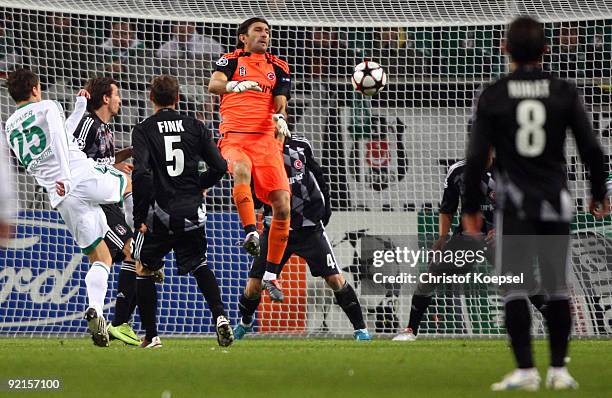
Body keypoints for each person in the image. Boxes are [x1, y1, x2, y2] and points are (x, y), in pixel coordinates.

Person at [462, 16, 609, 391]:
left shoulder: (493, 94)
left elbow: (477, 158)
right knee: (557, 284)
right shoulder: (563, 91)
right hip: (555, 200)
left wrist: (471, 209)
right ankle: (559, 370)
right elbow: (592, 149)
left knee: (514, 286)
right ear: (546, 50)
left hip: (514, 203)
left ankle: (526, 370)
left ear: (505, 48)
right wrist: (598, 193)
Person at [4, 68, 133, 347]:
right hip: (78, 175)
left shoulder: (10, 126)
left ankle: (96, 311)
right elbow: (61, 142)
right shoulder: (48, 105)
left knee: (101, 257)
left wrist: (78, 108)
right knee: (131, 180)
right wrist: (65, 173)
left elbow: (52, 142)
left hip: (60, 196)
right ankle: (146, 241)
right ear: (36, 89)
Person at [393, 149, 548, 341]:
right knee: (430, 276)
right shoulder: (458, 171)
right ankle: (410, 330)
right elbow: (447, 208)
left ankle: (551, 327)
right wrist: (442, 237)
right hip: (467, 238)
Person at [234, 132, 371, 341]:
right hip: (275, 230)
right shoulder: (258, 151)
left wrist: (325, 211)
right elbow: (254, 192)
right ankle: (245, 322)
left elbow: (319, 175)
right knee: (253, 286)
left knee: (335, 279)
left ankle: (361, 330)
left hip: (309, 229)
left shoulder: (300, 145)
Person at [131, 74, 232, 348]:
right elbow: (222, 167)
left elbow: (140, 174)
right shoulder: (195, 126)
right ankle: (221, 317)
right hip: (192, 211)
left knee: (144, 268)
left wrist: (139, 217)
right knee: (199, 263)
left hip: (160, 214)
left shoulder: (143, 130)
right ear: (177, 98)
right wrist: (200, 185)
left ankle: (152, 335)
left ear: (151, 98)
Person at [208, 17, 292, 302]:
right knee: (241, 170)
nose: (265, 34)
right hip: (235, 137)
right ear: (243, 37)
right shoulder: (229, 60)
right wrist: (235, 86)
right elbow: (214, 85)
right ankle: (251, 233)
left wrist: (280, 118)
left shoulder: (279, 67)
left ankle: (270, 275)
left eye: (267, 31)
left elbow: (281, 102)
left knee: (282, 205)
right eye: (258, 30)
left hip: (266, 141)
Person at [73, 76, 140, 346]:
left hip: (104, 199)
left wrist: (127, 154)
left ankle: (97, 313)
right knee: (134, 252)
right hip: (97, 201)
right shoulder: (89, 123)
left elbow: (103, 160)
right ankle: (120, 323)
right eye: (116, 95)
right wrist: (113, 172)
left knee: (102, 259)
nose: (120, 100)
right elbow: (75, 159)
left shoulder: (106, 129)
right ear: (105, 99)